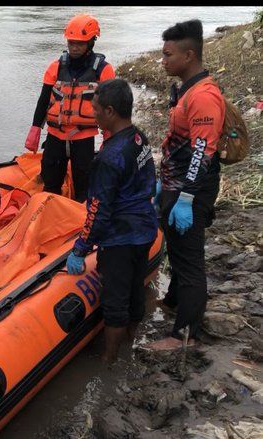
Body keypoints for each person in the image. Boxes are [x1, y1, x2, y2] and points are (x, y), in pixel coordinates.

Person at [144, 19, 225, 351]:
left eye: (167, 55)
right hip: (177, 185)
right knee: (178, 251)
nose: (162, 61)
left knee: (189, 259)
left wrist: (186, 197)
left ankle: (184, 336)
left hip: (191, 189)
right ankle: (175, 303)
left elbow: (202, 152)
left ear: (189, 55)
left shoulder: (204, 97)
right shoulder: (186, 90)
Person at [66, 79, 158, 364]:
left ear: (109, 111)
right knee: (134, 290)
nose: (91, 114)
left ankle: (110, 361)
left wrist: (81, 249)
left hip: (121, 237)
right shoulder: (137, 137)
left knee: (115, 301)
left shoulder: (109, 157)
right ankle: (130, 341)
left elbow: (98, 210)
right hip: (145, 229)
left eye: (94, 110)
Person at [24, 13, 116, 202]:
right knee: (50, 184)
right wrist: (35, 129)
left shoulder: (103, 70)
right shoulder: (55, 67)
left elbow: (110, 108)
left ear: (91, 42)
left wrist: (110, 138)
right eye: (71, 42)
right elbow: (43, 100)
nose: (74, 47)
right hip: (55, 138)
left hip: (84, 139)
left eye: (79, 43)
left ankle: (80, 223)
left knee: (84, 188)